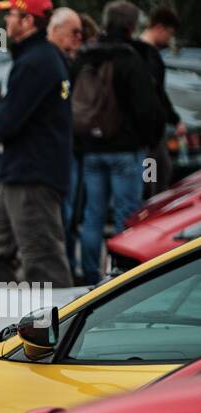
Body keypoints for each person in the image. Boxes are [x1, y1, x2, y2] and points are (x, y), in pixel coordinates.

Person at [0, 0, 74, 287]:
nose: (7, 21)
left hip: (31, 177)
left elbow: (8, 122)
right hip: (22, 174)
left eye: (12, 15)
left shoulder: (36, 61)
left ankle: (66, 326)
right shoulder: (41, 58)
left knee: (43, 261)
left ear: (28, 21)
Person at [70, 2, 164, 283]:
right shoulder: (131, 59)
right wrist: (148, 140)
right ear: (131, 26)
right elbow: (146, 108)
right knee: (127, 215)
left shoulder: (84, 57)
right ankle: (123, 279)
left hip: (90, 150)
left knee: (92, 216)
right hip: (125, 150)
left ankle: (89, 277)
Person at [49, 8, 85, 279]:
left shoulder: (69, 64)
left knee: (70, 216)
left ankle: (70, 272)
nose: (78, 39)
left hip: (68, 152)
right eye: (74, 32)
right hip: (58, 156)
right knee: (63, 219)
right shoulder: (52, 63)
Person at [135, 6, 185, 198]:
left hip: (146, 131)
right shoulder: (148, 55)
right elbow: (157, 94)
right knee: (155, 177)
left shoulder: (136, 51)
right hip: (151, 134)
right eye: (169, 33)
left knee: (156, 174)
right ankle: (151, 213)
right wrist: (174, 118)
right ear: (160, 28)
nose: (169, 39)